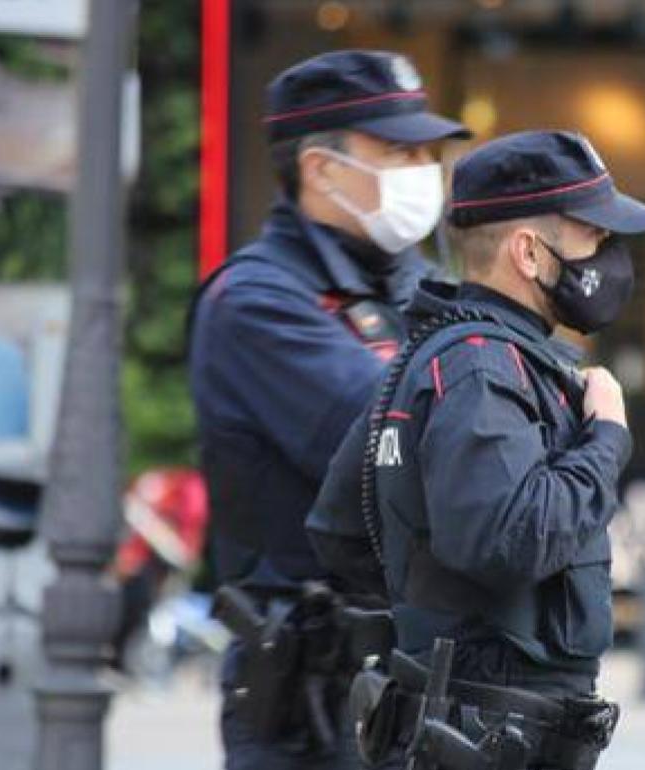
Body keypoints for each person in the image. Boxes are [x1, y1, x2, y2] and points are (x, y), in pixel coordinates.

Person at [308, 130, 645, 770]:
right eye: (592, 234)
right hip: (490, 731)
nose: (607, 255)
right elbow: (510, 537)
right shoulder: (482, 369)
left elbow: (340, 528)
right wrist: (606, 438)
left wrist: (436, 621)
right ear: (528, 252)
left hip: (463, 721)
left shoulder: (440, 355)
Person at [188, 49, 469, 770]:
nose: (422, 168)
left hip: (421, 688)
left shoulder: (425, 286)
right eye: (398, 150)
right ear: (320, 168)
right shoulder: (258, 302)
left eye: (424, 150)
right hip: (310, 711)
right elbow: (409, 453)